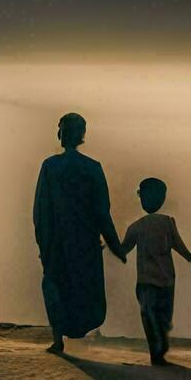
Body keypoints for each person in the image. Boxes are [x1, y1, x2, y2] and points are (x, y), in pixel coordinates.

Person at [33, 112, 124, 354]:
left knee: (56, 289)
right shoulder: (92, 168)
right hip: (83, 244)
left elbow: (41, 210)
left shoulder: (51, 166)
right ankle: (67, 337)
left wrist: (44, 243)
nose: (59, 133)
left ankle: (58, 340)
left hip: (60, 243)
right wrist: (116, 246)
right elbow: (102, 212)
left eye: (61, 128)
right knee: (79, 290)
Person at [118, 177, 191, 366]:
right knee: (161, 318)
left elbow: (123, 250)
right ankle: (158, 352)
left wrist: (108, 246)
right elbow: (179, 246)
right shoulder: (166, 223)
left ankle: (157, 352)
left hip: (148, 282)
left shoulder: (137, 226)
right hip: (165, 281)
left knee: (151, 318)